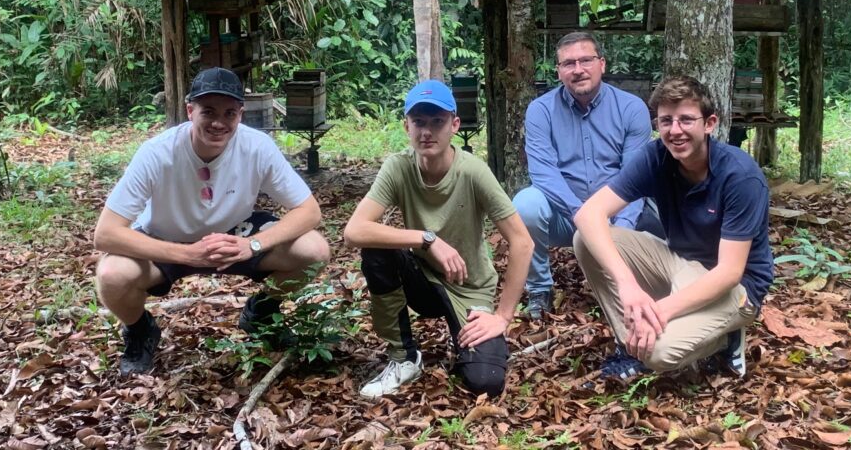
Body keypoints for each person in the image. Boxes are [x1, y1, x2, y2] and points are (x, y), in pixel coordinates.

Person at [94, 67, 331, 376]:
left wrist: (252, 244)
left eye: (229, 113)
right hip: (165, 238)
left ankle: (262, 311)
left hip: (236, 235)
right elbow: (106, 234)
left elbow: (309, 211)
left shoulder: (257, 147)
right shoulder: (157, 153)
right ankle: (139, 330)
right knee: (111, 274)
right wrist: (187, 254)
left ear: (240, 115)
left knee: (314, 250)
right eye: (208, 111)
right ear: (190, 111)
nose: (219, 123)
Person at [572, 75, 773, 381]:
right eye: (666, 121)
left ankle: (726, 338)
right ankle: (631, 343)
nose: (675, 130)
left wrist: (660, 311)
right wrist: (628, 286)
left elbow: (729, 272)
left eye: (686, 120)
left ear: (709, 124)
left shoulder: (740, 176)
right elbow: (588, 215)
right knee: (585, 238)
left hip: (735, 287)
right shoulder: (656, 157)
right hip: (679, 262)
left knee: (659, 353)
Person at [343, 80, 533, 399]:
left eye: (437, 121)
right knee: (376, 248)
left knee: (485, 380)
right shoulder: (398, 168)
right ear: (407, 126)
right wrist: (426, 238)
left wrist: (502, 317)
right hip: (422, 278)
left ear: (454, 125)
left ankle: (469, 341)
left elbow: (522, 242)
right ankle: (404, 358)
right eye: (419, 122)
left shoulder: (473, 172)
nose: (427, 132)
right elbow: (354, 231)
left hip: (468, 286)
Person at [514, 32, 655, 320]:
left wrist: (620, 230)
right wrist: (583, 216)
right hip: (566, 216)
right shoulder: (541, 111)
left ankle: (643, 280)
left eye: (586, 60)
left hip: (617, 213)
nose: (578, 70)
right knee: (525, 205)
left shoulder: (631, 108)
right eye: (568, 64)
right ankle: (540, 289)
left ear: (602, 64)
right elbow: (543, 173)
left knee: (663, 212)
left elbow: (636, 175)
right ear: (558, 71)